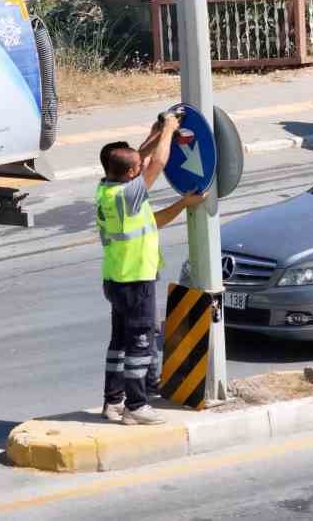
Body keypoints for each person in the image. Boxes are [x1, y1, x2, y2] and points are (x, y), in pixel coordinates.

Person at [97, 111, 205, 426]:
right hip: (135, 280)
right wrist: (170, 130)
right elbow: (155, 164)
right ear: (131, 174)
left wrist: (156, 134)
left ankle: (113, 401)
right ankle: (137, 405)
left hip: (116, 279)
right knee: (140, 344)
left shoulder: (108, 189)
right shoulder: (130, 194)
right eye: (136, 168)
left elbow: (152, 219)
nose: (141, 166)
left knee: (119, 343)